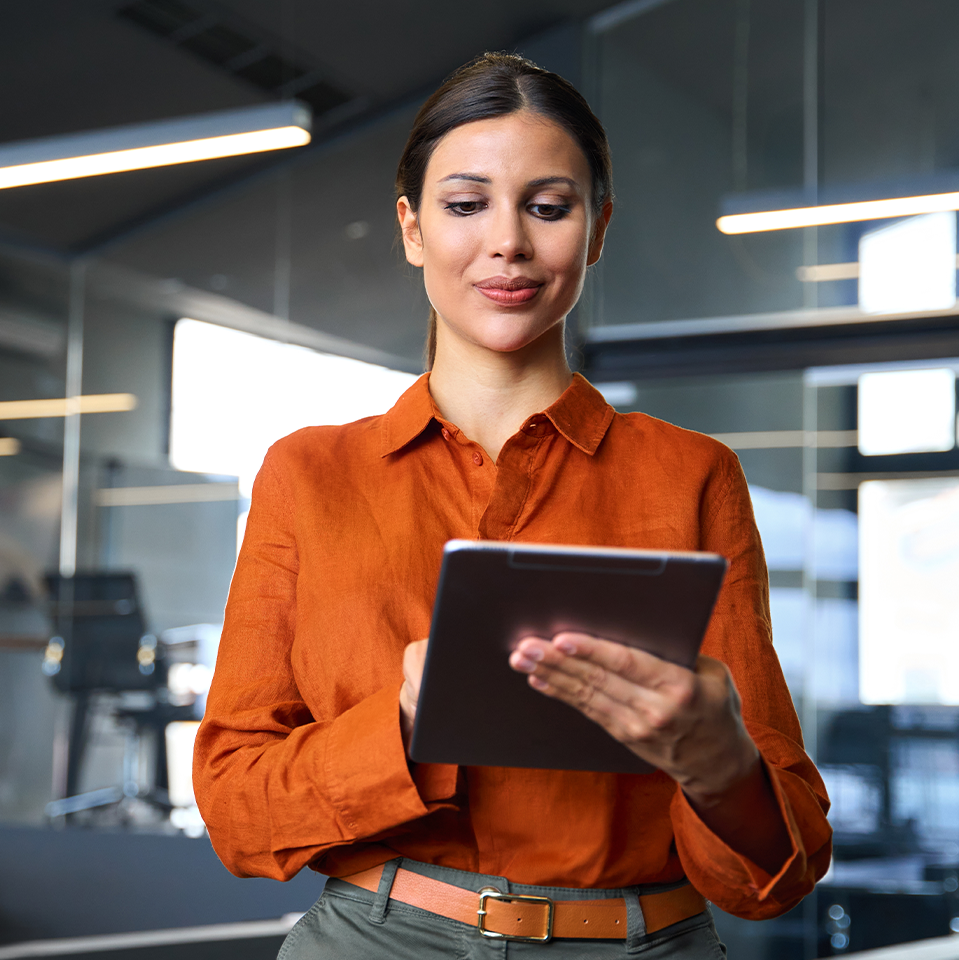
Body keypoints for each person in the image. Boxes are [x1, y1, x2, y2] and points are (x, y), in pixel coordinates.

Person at [193, 52, 831, 958]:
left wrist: (716, 760)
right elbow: (235, 812)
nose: (509, 244)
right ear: (411, 228)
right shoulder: (308, 475)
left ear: (597, 228)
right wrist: (405, 728)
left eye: (548, 205)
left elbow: (779, 874)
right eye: (465, 204)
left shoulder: (693, 477)